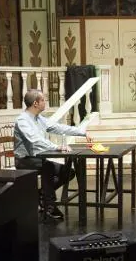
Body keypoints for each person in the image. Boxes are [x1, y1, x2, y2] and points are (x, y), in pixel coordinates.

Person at [14, 89, 91, 220]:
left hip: (38, 158)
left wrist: (82, 132)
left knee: (69, 172)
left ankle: (42, 195)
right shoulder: (22, 120)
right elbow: (35, 139)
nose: (45, 102)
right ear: (35, 103)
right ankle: (49, 206)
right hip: (24, 159)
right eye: (43, 100)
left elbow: (59, 128)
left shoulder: (40, 119)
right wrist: (57, 147)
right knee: (48, 167)